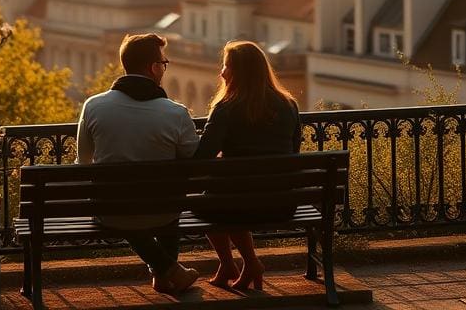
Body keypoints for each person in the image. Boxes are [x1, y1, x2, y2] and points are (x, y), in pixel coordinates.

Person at [76, 32, 201, 295]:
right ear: (154, 68)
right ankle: (168, 272)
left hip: (112, 210)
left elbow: (83, 161)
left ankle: (165, 272)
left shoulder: (93, 106)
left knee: (123, 203)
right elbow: (194, 160)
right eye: (164, 64)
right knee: (168, 200)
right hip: (164, 210)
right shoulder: (176, 113)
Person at [193, 40, 302, 291]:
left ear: (238, 72)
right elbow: (294, 150)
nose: (221, 72)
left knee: (207, 205)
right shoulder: (288, 105)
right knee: (231, 199)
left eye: (226, 66)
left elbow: (202, 157)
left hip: (239, 203)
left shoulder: (226, 108)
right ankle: (238, 266)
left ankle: (240, 263)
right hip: (281, 204)